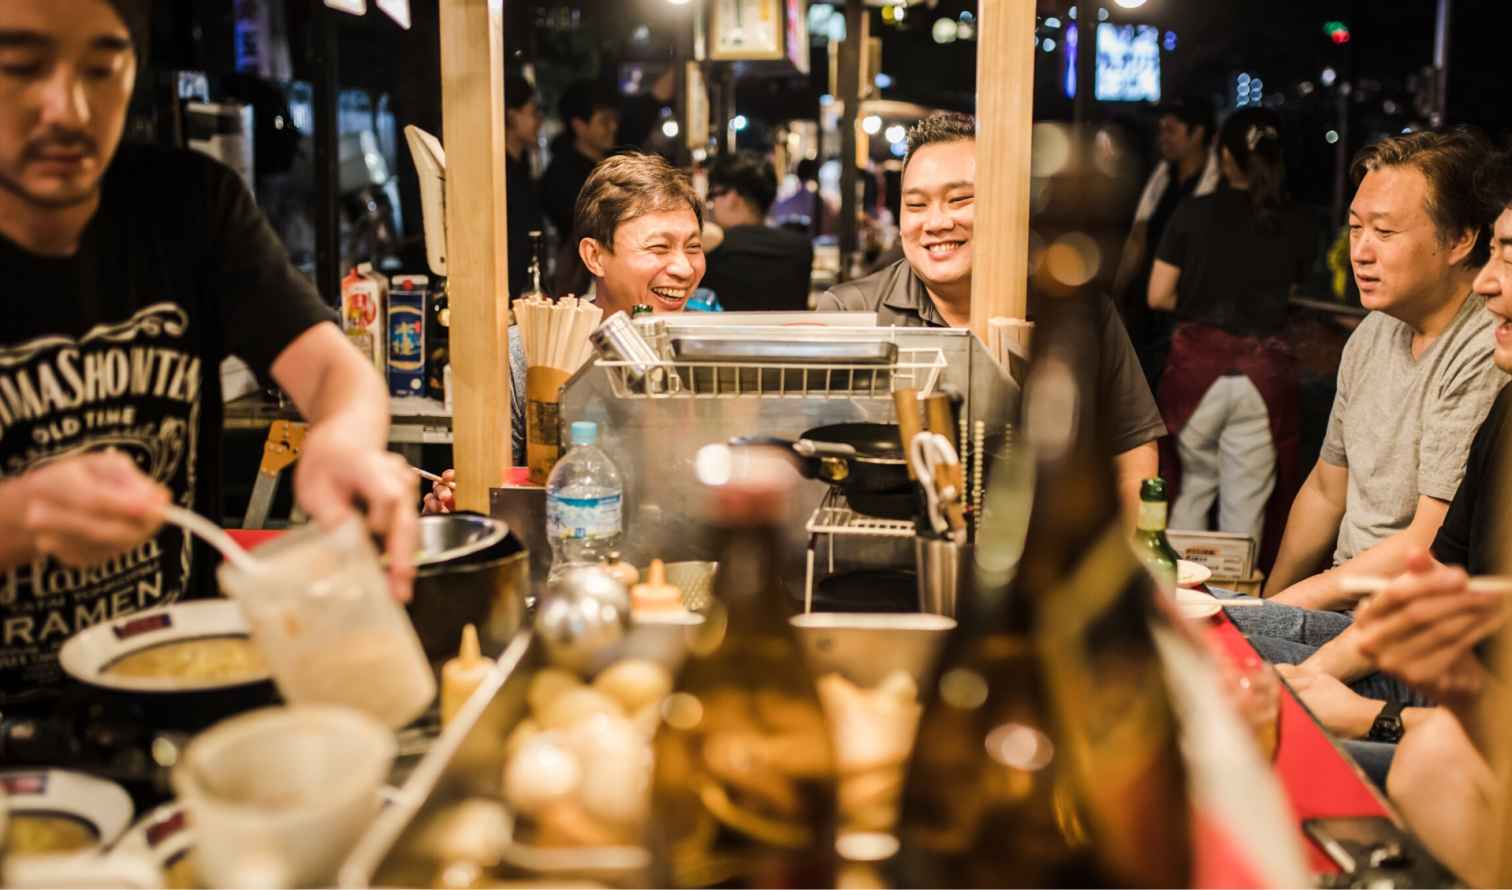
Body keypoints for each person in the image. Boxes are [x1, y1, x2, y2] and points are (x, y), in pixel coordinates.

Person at [0, 0, 417, 705]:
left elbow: (329, 367)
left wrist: (343, 440)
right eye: (20, 66)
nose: (67, 109)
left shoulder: (188, 204)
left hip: (179, 677)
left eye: (102, 68)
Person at [815, 112, 1165, 519]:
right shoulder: (850, 312)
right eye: (916, 205)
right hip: (881, 564)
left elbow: (1132, 449)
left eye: (960, 199)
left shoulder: (1073, 315)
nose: (936, 222)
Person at [1241, 129, 1503, 625]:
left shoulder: (1485, 346)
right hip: (1341, 608)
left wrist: (1277, 614)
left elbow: (1426, 543)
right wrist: (1261, 607)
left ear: (1461, 239)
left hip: (1410, 628)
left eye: (1383, 233)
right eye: (1355, 228)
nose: (1360, 251)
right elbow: (1325, 489)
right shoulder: (1373, 333)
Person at [425, 153, 704, 511]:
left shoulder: (707, 350)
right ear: (595, 256)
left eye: (693, 247)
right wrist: (454, 501)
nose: (684, 268)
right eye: (658, 248)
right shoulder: (530, 350)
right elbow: (489, 492)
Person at [1148, 107, 1317, 569]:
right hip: (1265, 379)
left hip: (1197, 375)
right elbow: (1305, 297)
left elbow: (1158, 294)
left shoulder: (1193, 212)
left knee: (1189, 492)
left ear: (1223, 156)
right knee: (1246, 510)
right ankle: (1239, 611)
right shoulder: (1299, 221)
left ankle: (1179, 605)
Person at [1113, 95, 1220, 389]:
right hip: (1145, 310)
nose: (1163, 138)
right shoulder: (1161, 177)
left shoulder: (1216, 187)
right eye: (1160, 130)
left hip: (1185, 313)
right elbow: (1138, 236)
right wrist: (1119, 293)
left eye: (1171, 130)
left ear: (1197, 133)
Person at [700, 150, 814, 311]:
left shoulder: (712, 245)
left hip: (726, 336)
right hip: (787, 335)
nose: (711, 205)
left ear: (732, 198)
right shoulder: (800, 247)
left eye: (713, 196)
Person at [540, 79, 620, 241]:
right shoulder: (561, 175)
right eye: (604, 121)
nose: (613, 127)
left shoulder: (615, 162)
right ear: (579, 126)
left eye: (614, 119)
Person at [504, 73, 544, 300]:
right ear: (511, 115)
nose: (539, 120)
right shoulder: (497, 169)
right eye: (533, 112)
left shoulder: (523, 163)